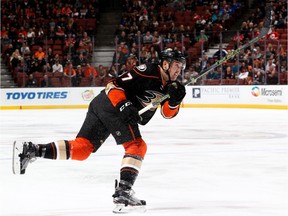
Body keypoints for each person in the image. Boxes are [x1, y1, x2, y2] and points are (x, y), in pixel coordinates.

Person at [13, 48, 186, 212]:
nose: (179, 70)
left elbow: (167, 114)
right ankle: (123, 193)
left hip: (101, 105)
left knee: (82, 149)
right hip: (113, 105)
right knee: (137, 146)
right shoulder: (147, 70)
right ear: (165, 64)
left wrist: (174, 100)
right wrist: (123, 105)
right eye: (177, 65)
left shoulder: (171, 86)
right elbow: (113, 85)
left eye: (181, 67)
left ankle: (32, 150)